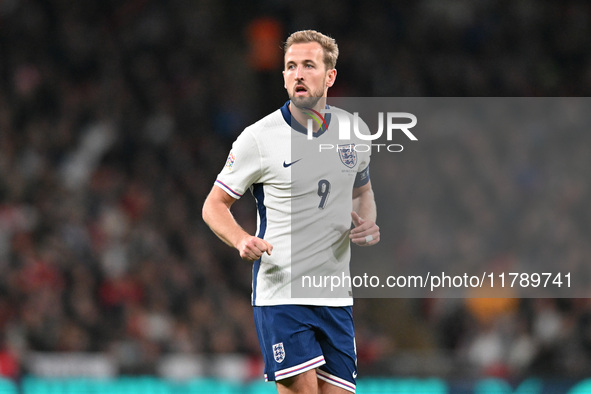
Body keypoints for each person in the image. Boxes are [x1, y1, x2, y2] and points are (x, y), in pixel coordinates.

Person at [202, 30, 380, 394]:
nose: (298, 74)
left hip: (334, 297)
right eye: (290, 66)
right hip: (283, 294)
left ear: (330, 76)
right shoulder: (258, 139)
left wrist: (368, 220)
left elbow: (364, 191)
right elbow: (213, 205)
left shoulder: (355, 132)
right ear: (283, 76)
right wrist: (240, 239)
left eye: (308, 66)